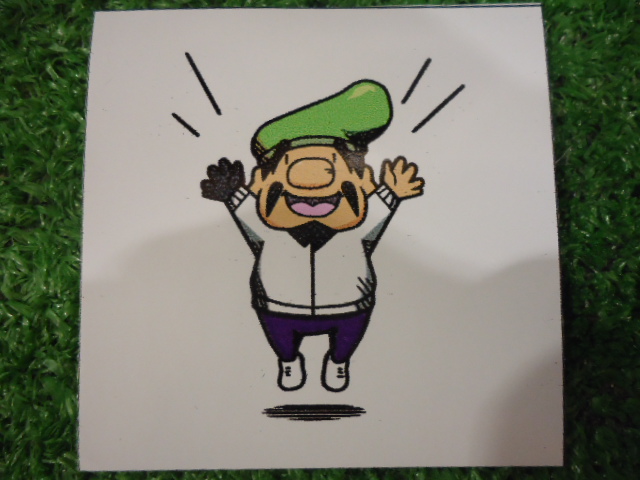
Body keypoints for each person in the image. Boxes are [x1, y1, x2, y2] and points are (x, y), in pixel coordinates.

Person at [201, 80, 424, 392]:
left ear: (363, 180)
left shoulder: (357, 228)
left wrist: (394, 193)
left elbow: (379, 217)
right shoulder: (268, 228)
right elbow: (246, 219)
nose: (312, 182)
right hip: (278, 306)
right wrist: (229, 194)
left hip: (348, 306)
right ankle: (288, 361)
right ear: (262, 182)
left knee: (346, 341)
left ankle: (339, 361)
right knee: (282, 342)